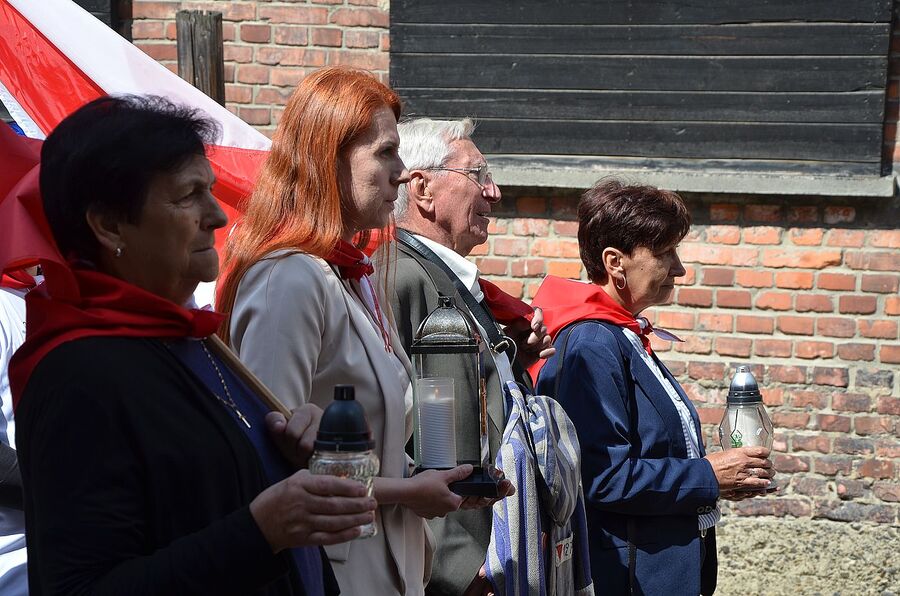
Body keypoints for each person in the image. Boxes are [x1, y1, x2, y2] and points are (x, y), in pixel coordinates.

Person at [11, 95, 376, 596]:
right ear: (109, 225)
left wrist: (282, 458)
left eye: (210, 189)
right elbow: (79, 588)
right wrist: (261, 530)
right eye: (187, 196)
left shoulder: (188, 339)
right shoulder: (77, 373)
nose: (217, 216)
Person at [218, 67, 484, 596]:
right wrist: (406, 493)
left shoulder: (347, 274)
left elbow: (362, 446)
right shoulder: (288, 278)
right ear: (330, 157)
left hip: (387, 572)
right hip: (332, 576)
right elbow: (269, 465)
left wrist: (434, 481)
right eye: (385, 152)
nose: (403, 172)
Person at [532, 180, 775, 595]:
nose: (678, 268)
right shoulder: (592, 344)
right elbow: (601, 478)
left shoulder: (621, 335)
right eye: (664, 253)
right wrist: (709, 477)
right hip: (627, 578)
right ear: (615, 262)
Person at [389, 117, 551, 595]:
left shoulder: (445, 278)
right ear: (423, 190)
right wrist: (454, 567)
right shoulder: (401, 279)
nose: (494, 192)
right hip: (454, 568)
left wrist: (508, 360)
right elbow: (411, 429)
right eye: (478, 176)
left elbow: (455, 397)